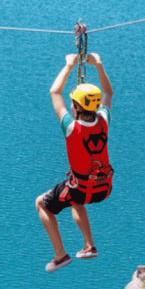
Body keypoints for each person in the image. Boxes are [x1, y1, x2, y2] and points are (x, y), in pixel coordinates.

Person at [37, 51, 114, 272]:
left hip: (81, 188)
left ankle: (60, 255)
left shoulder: (71, 128)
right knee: (74, 195)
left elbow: (54, 91)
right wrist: (99, 65)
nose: (70, 106)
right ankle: (89, 246)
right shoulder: (104, 120)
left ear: (77, 107)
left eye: (72, 103)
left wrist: (69, 65)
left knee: (41, 203)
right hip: (103, 188)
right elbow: (108, 91)